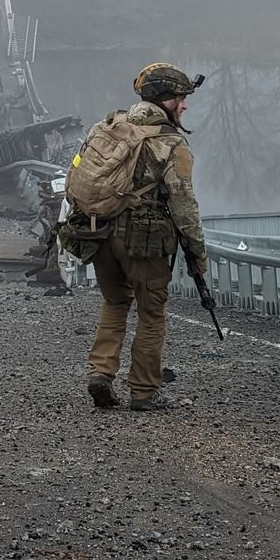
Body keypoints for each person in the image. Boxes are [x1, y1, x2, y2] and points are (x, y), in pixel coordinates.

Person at [86, 62, 212, 411]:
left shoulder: (109, 125)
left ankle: (101, 373)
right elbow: (184, 206)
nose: (184, 105)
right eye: (180, 98)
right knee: (151, 313)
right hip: (145, 241)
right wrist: (198, 254)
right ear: (164, 100)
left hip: (100, 232)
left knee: (114, 303)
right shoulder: (171, 143)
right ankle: (143, 391)